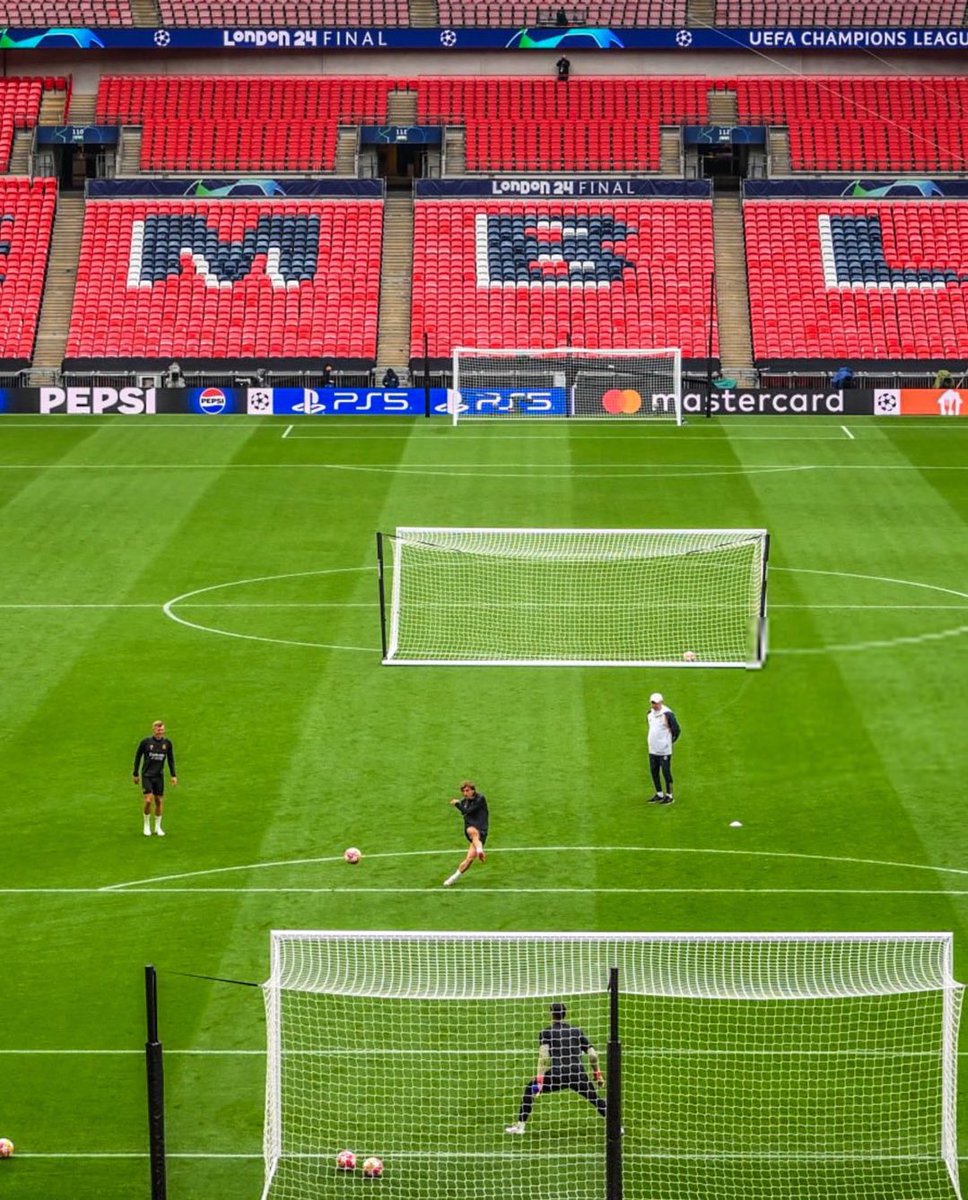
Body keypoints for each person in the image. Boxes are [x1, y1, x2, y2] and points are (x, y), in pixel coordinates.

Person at [505, 1002, 607, 1134]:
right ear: (564, 1015)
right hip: (577, 1074)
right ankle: (616, 1127)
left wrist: (540, 1082)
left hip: (558, 1074)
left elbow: (544, 1058)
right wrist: (597, 1074)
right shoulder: (576, 1031)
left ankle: (520, 1126)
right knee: (595, 1098)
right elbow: (593, 1055)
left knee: (530, 1089)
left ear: (551, 1014)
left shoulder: (546, 1032)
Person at [133, 720, 178, 836]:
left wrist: (173, 775)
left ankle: (158, 827)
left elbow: (171, 759)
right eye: (158, 730)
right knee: (148, 800)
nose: (160, 732)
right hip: (147, 775)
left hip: (159, 776)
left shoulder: (167, 744)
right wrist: (135, 773)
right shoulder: (146, 742)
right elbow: (138, 757)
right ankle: (146, 825)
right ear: (153, 730)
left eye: (162, 730)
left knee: (159, 801)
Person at [443, 780, 488, 886]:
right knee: (472, 831)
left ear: (473, 790)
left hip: (482, 830)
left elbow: (467, 811)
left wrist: (457, 804)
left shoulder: (480, 799)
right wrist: (459, 804)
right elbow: (464, 810)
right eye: (463, 791)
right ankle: (480, 850)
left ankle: (453, 878)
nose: (465, 793)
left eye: (467, 790)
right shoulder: (464, 802)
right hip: (470, 829)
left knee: (469, 859)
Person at [647, 692, 680, 805]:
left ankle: (669, 795)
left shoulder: (667, 714)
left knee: (666, 772)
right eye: (652, 703)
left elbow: (676, 729)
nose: (654, 705)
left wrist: (669, 742)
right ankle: (659, 794)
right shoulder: (649, 714)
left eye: (656, 703)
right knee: (654, 771)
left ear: (661, 702)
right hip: (652, 749)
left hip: (664, 749)